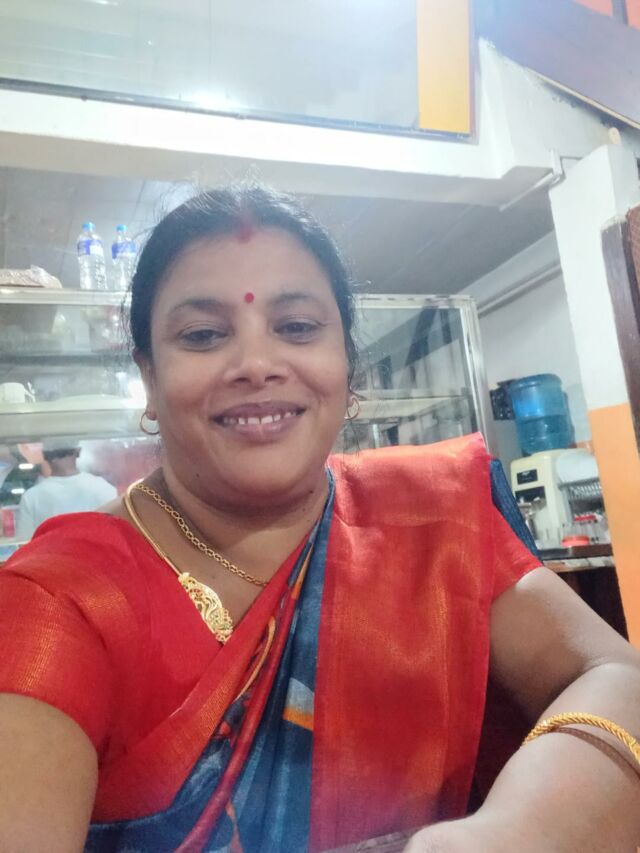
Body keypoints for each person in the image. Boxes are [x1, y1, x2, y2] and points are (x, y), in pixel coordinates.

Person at [0, 185, 638, 853]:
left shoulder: (428, 512)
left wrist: (513, 831)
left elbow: (613, 675)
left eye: (298, 326)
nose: (256, 365)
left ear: (347, 366)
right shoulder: (63, 600)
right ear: (150, 380)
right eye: (204, 335)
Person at [15, 439, 117, 540]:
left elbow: (25, 542)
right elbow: (116, 535)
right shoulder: (104, 488)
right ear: (78, 451)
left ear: (44, 455)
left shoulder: (31, 497)